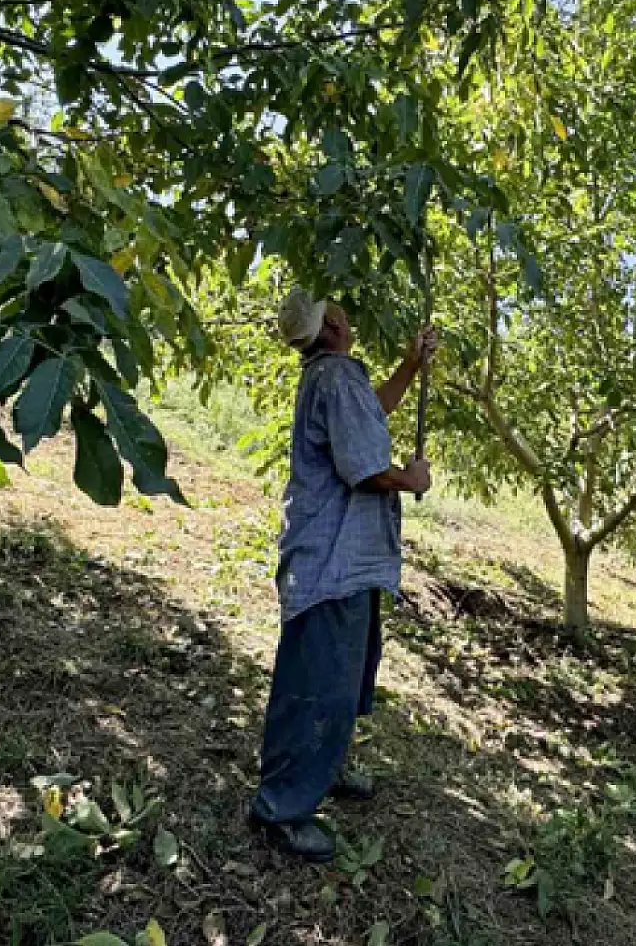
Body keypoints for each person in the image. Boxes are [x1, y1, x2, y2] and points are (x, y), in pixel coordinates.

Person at [247, 288, 437, 862]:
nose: (347, 315)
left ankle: (323, 766)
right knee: (317, 682)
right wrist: (411, 479)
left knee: (343, 678)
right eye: (341, 311)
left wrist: (410, 365)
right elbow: (364, 468)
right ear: (331, 325)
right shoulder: (334, 378)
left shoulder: (334, 379)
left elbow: (371, 412)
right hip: (331, 559)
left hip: (345, 560)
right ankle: (280, 808)